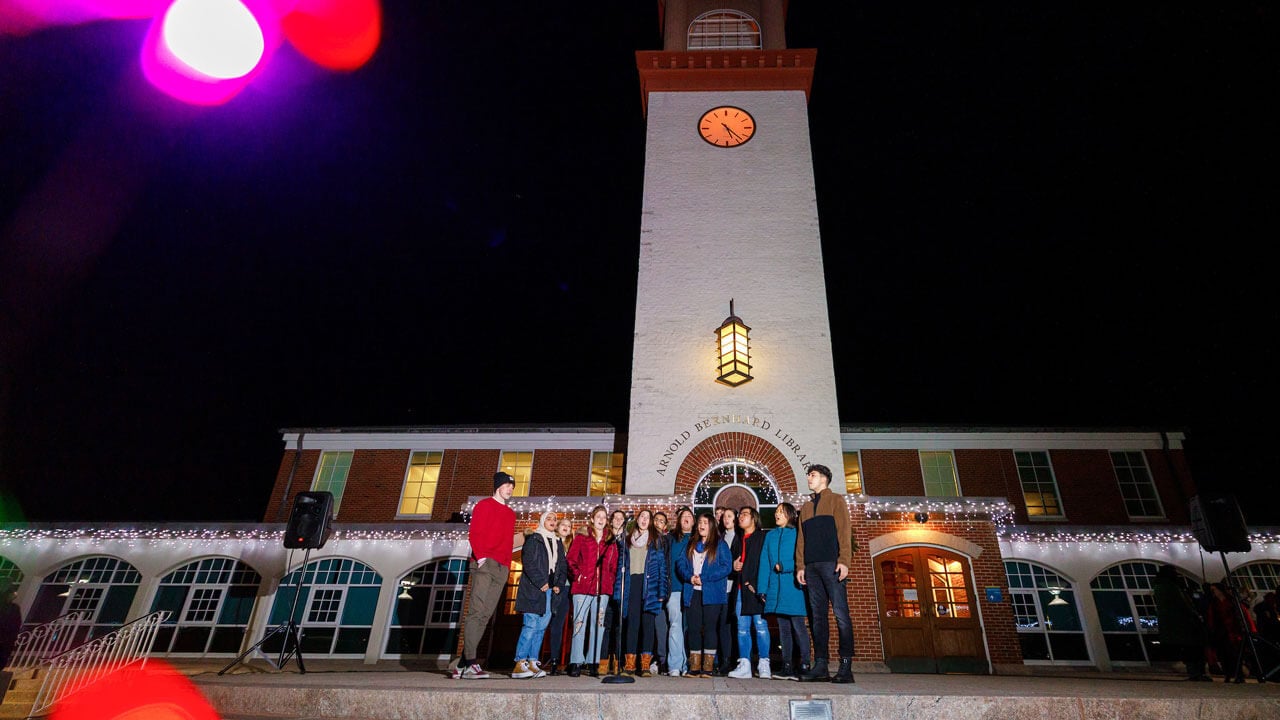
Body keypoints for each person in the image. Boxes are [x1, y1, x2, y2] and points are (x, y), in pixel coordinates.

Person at [451, 472, 523, 680]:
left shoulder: (510, 514)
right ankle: (472, 662)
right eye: (507, 485)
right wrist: (481, 557)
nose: (510, 489)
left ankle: (463, 664)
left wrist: (507, 564)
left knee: (486, 614)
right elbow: (475, 533)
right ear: (498, 486)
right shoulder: (483, 506)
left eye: (512, 487)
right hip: (484, 563)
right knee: (476, 610)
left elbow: (508, 542)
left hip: (501, 567)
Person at [796, 463, 855, 683]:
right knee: (817, 617)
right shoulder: (806, 507)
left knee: (841, 615)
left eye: (812, 475)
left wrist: (844, 561)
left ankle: (846, 666)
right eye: (809, 475)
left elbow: (844, 532)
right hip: (811, 568)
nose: (809, 478)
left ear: (824, 478)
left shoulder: (836, 500)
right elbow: (801, 540)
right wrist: (800, 566)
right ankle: (820, 665)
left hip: (832, 565)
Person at [675, 512, 732, 678]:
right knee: (692, 628)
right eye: (699, 522)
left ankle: (707, 668)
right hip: (693, 592)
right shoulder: (691, 544)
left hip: (712, 594)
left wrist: (704, 578)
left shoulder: (720, 545)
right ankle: (694, 667)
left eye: (705, 523)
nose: (701, 525)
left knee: (710, 628)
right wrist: (689, 577)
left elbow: (726, 567)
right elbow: (680, 563)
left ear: (712, 526)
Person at [758, 502, 810, 680]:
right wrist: (762, 588)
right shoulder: (770, 536)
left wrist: (786, 566)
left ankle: (804, 664)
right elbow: (765, 562)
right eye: (776, 512)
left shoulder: (797, 534)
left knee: (798, 627)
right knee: (783, 629)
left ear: (789, 515)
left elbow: (803, 557)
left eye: (780, 512)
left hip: (794, 587)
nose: (776, 514)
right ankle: (787, 665)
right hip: (776, 589)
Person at [512, 510, 567, 678]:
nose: (552, 521)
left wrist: (558, 584)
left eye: (554, 519)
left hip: (550, 591)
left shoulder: (557, 542)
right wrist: (540, 582)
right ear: (543, 521)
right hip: (534, 589)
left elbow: (562, 566)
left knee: (541, 627)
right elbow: (528, 562)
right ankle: (520, 663)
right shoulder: (534, 539)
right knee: (531, 625)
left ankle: (532, 661)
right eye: (549, 518)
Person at [566, 506, 618, 677]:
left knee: (599, 625)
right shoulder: (582, 537)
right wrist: (578, 576)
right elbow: (571, 559)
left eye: (604, 517)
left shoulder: (610, 541)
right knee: (579, 624)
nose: (601, 520)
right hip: (583, 588)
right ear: (592, 518)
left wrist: (609, 579)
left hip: (602, 589)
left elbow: (613, 565)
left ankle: (593, 661)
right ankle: (575, 661)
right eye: (598, 516)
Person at [618, 509, 670, 675]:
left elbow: (662, 567)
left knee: (648, 624)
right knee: (632, 624)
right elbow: (621, 566)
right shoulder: (627, 540)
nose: (644, 520)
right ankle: (630, 664)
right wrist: (619, 589)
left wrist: (662, 591)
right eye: (642, 516)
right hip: (632, 584)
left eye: (647, 518)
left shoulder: (656, 541)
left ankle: (646, 664)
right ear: (637, 519)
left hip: (650, 586)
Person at [729, 506, 771, 678]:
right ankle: (744, 664)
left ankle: (764, 664)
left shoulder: (762, 537)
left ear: (753, 518)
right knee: (742, 628)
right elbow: (731, 565)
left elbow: (766, 563)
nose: (741, 517)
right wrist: (734, 566)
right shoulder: (737, 540)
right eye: (740, 515)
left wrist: (757, 584)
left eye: (745, 514)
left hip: (756, 589)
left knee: (760, 626)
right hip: (740, 591)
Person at [1151, 564, 1210, 681]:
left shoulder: (1160, 587)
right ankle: (1197, 673)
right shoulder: (1171, 587)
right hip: (1185, 624)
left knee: (1189, 650)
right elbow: (1184, 605)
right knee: (1194, 649)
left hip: (1176, 625)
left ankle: (1194, 672)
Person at [666, 506, 694, 676]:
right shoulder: (670, 538)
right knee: (675, 624)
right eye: (683, 516)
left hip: (692, 588)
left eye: (689, 516)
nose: (686, 518)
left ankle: (689, 665)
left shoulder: (699, 539)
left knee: (689, 627)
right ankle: (675, 664)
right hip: (675, 588)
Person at [545, 517, 575, 675]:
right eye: (563, 524)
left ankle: (565, 659)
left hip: (569, 588)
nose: (566, 527)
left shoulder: (572, 546)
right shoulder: (551, 542)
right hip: (555, 587)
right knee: (552, 623)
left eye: (569, 526)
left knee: (565, 624)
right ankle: (553, 659)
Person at [715, 505, 738, 675]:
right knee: (722, 625)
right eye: (724, 517)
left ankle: (738, 660)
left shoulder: (740, 537)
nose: (726, 519)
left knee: (736, 625)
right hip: (721, 588)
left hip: (735, 587)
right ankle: (724, 661)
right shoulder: (719, 538)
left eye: (729, 516)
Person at [0, 582, 21, 670]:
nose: (15, 594)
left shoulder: (14, 608)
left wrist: (13, 637)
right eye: (13, 592)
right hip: (4, 637)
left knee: (2, 658)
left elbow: (17, 623)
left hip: (7, 640)